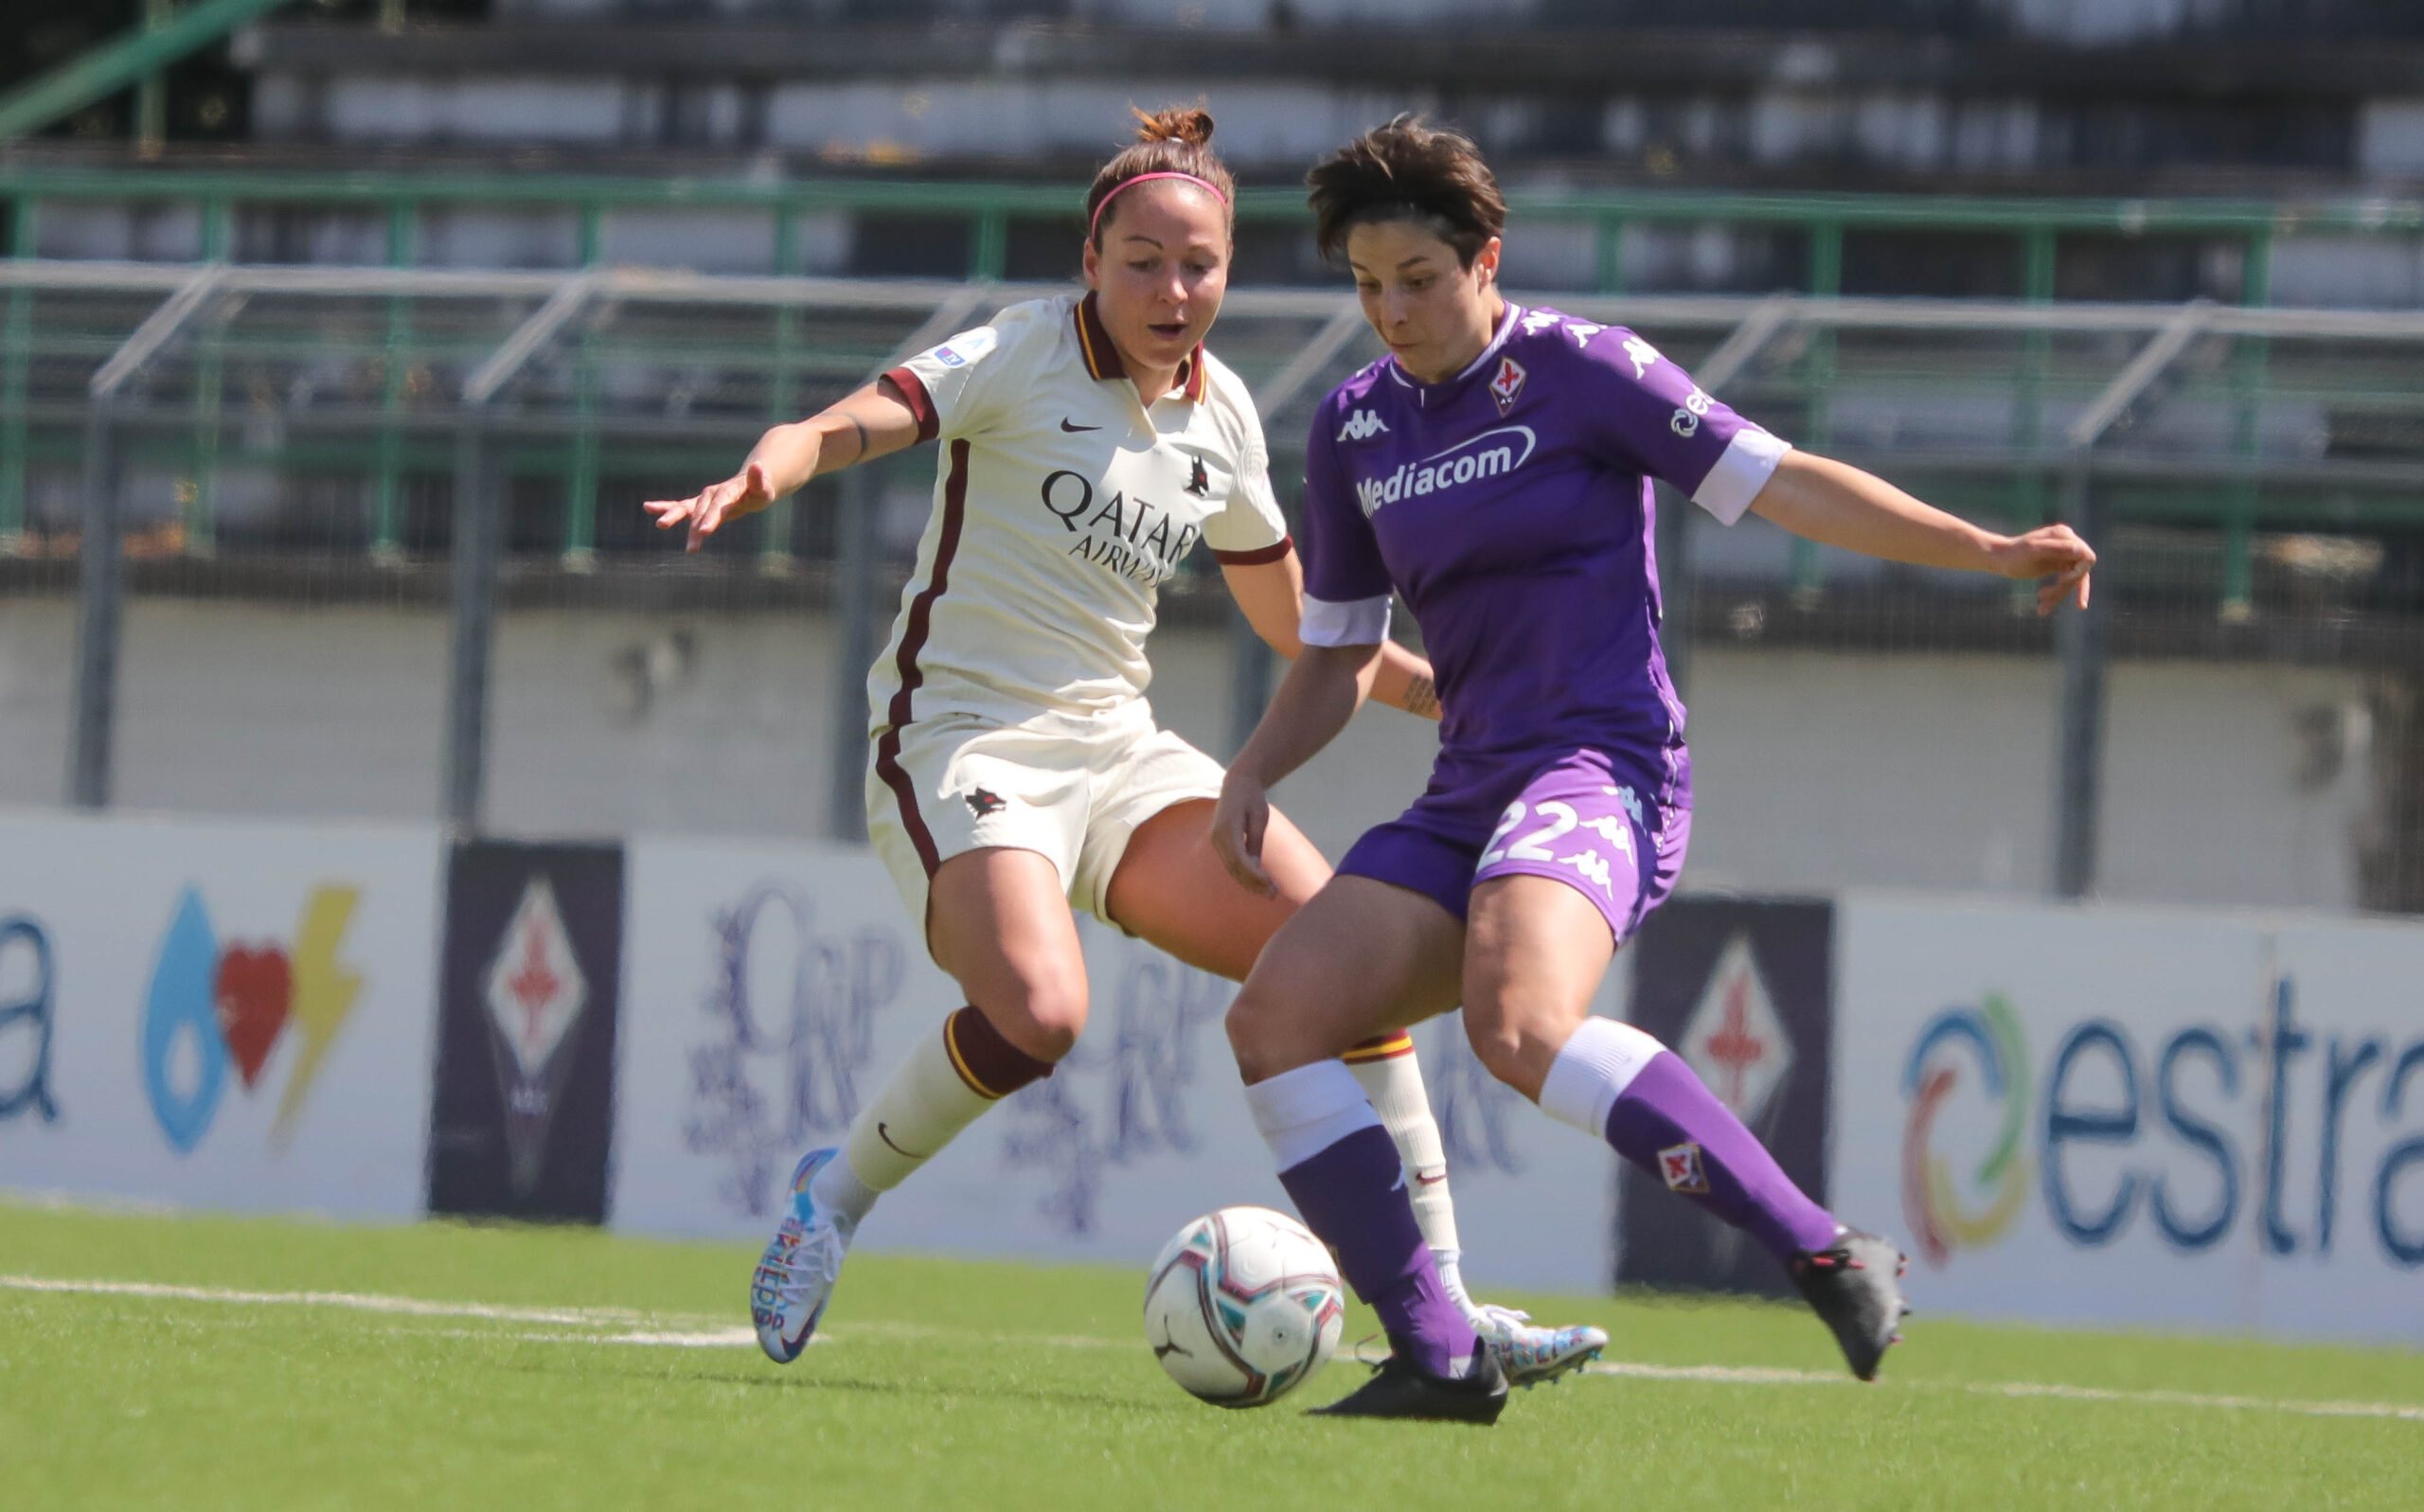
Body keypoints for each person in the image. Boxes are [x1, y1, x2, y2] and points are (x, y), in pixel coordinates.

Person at [643, 107, 1606, 1384]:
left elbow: (1302, 629)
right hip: (965, 737)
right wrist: (766, 472)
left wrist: (1454, 694)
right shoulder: (1019, 352)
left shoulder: (1226, 418)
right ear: (1091, 261)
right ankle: (834, 1195)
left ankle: (1448, 1310)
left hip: (1120, 749)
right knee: (1040, 1014)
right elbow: (843, 422)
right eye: (1142, 261)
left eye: (1198, 265)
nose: (1172, 290)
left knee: (1345, 961)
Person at [1211, 116, 2098, 1423]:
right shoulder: (1354, 428)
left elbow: (1782, 483)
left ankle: (1823, 1247)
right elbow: (1339, 650)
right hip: (1467, 791)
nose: (1391, 311)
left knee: (1519, 1025)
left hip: (1602, 766)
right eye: (1366, 284)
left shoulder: (1582, 369)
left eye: (1419, 279)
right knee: (1275, 1020)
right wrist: (1256, 767)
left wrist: (1987, 549)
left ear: (1485, 260)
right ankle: (1439, 1355)